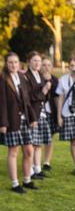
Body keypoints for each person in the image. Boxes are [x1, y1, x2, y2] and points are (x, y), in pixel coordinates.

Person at [0, 51, 39, 193]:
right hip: (11, 121)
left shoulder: (22, 77)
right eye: (10, 62)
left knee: (29, 150)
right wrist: (3, 123)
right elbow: (2, 103)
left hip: (25, 120)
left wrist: (33, 117)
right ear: (6, 63)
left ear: (19, 63)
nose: (13, 65)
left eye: (15, 62)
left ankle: (27, 179)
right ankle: (15, 184)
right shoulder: (3, 79)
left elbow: (27, 100)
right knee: (14, 151)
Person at [25, 51, 53, 179]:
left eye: (39, 61)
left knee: (39, 143)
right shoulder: (26, 77)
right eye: (34, 61)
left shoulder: (40, 76)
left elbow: (43, 98)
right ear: (29, 61)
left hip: (42, 113)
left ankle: (38, 169)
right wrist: (44, 91)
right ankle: (30, 171)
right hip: (33, 114)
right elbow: (29, 98)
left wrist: (46, 91)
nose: (37, 63)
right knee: (32, 144)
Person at [39, 56, 58, 174]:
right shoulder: (36, 78)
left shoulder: (55, 79)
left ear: (51, 67)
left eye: (48, 65)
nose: (46, 67)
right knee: (38, 139)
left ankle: (46, 162)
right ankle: (36, 163)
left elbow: (57, 96)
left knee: (49, 139)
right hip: (40, 112)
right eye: (44, 64)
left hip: (51, 113)